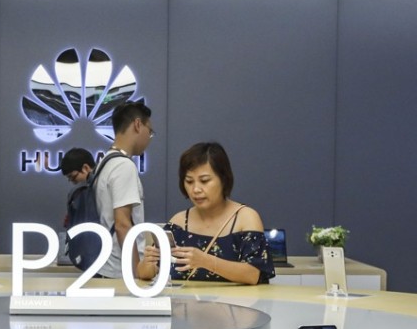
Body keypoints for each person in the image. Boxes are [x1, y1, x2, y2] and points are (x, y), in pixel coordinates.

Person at [138, 142, 275, 284]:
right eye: (189, 181)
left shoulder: (246, 218)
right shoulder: (178, 223)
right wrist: (148, 263)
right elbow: (145, 273)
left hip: (236, 305)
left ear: (223, 179)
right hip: (186, 304)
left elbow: (253, 274)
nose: (196, 189)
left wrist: (205, 261)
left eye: (204, 181)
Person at [94, 102, 156, 278]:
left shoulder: (105, 162)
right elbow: (122, 224)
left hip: (105, 265)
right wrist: (136, 271)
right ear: (138, 125)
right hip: (119, 271)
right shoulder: (123, 166)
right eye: (149, 131)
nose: (149, 138)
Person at [60, 147, 95, 227]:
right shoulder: (76, 193)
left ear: (86, 168)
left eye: (73, 177)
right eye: (69, 179)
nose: (73, 182)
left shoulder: (82, 191)